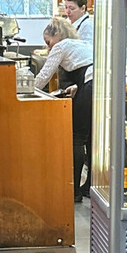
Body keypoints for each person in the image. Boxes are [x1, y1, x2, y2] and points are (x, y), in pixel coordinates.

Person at [35, 17, 93, 202]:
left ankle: (74, 192)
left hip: (89, 86)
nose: (49, 48)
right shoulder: (81, 44)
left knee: (77, 138)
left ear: (57, 34)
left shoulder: (61, 46)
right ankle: (90, 186)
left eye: (48, 42)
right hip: (101, 86)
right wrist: (77, 87)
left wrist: (24, 91)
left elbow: (44, 76)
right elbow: (87, 69)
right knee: (93, 138)